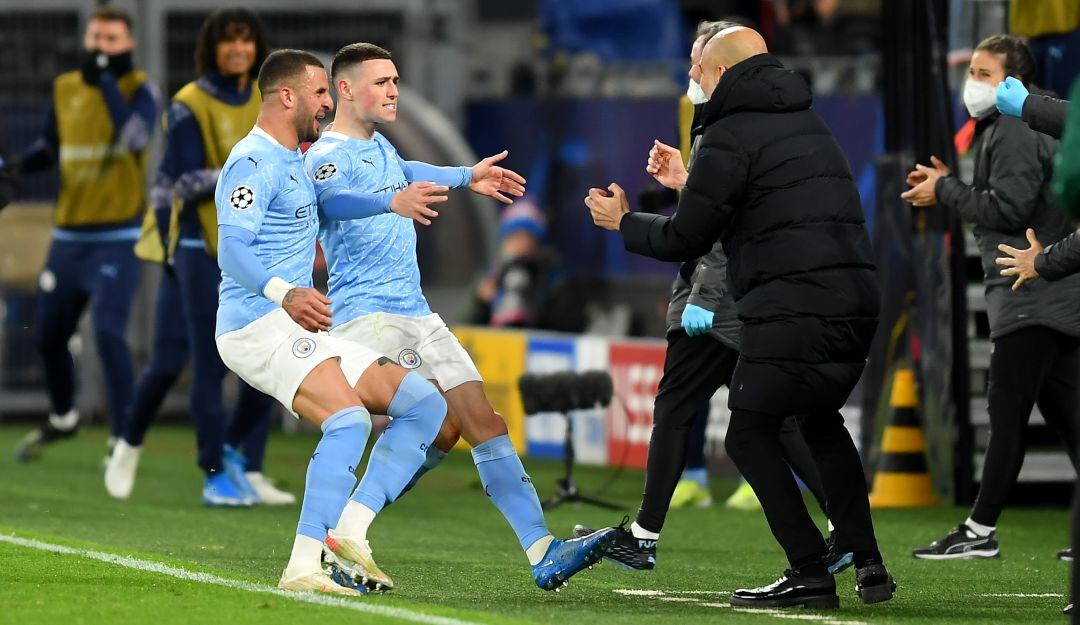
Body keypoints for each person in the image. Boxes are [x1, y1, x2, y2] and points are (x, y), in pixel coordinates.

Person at [585, 26, 893, 609]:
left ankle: (809, 569)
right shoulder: (807, 120)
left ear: (723, 73)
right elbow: (759, 203)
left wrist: (623, 222)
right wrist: (689, 181)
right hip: (854, 298)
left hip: (791, 304)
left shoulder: (728, 130)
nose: (693, 78)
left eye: (699, 69)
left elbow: (688, 236)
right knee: (820, 422)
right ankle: (868, 561)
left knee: (748, 434)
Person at [302, 42, 616, 592]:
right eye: (381, 82)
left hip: (417, 313)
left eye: (395, 80)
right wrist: (391, 201)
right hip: (369, 318)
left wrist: (466, 176)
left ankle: (542, 552)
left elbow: (410, 170)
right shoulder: (326, 154)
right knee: (433, 419)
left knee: (476, 424)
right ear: (345, 89)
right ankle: (346, 531)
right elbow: (332, 202)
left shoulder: (381, 147)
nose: (394, 91)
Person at [213, 48, 460, 595]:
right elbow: (231, 250)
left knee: (426, 405)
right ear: (287, 96)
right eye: (320, 92)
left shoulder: (296, 161)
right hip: (255, 323)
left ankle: (347, 533)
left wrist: (453, 180)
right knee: (348, 421)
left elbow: (358, 193)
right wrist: (286, 293)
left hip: (298, 323)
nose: (328, 103)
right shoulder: (251, 162)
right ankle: (303, 567)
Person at [902, 35, 1080, 564]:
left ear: (1014, 83)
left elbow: (1010, 208)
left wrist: (946, 190)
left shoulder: (1015, 127)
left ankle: (980, 529)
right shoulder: (1023, 125)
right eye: (972, 72)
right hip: (1046, 291)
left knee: (1006, 410)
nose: (974, 83)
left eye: (986, 74)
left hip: (1030, 289)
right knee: (1069, 417)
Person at [104, 8, 289, 507]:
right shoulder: (189, 103)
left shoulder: (271, 99)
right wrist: (248, 169)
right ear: (212, 48)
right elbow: (181, 182)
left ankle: (244, 463)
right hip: (195, 246)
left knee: (269, 357)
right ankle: (194, 466)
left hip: (255, 248)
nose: (238, 49)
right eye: (229, 40)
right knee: (199, 361)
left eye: (246, 40)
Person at [9, 6, 159, 462]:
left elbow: (135, 139)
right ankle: (63, 416)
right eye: (95, 38)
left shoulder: (140, 89)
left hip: (118, 234)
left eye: (111, 40)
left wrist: (107, 82)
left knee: (109, 333)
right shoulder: (66, 87)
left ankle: (123, 437)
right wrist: (17, 166)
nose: (100, 48)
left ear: (129, 45)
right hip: (69, 236)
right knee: (48, 335)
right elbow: (51, 146)